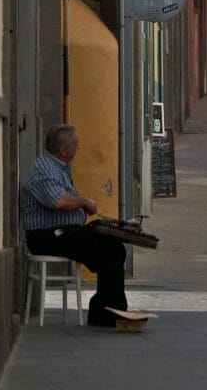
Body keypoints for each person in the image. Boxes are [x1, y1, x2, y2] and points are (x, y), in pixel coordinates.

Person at [20, 123, 128, 327]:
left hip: (64, 232)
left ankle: (106, 311)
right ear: (63, 150)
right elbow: (59, 202)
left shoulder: (56, 167)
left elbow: (66, 197)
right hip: (48, 236)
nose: (78, 148)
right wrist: (84, 202)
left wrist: (82, 206)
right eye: (76, 144)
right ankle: (107, 314)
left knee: (114, 246)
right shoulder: (45, 170)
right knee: (107, 250)